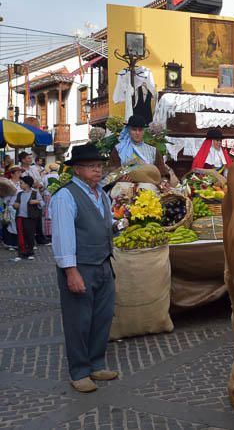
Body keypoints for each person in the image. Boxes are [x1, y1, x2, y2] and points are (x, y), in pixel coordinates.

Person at [50, 143, 125, 393]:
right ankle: (80, 371)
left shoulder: (101, 194)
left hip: (103, 263)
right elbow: (63, 237)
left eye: (99, 166)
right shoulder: (65, 196)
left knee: (102, 318)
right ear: (77, 170)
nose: (98, 170)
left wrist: (120, 224)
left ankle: (96, 363)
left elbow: (106, 222)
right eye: (92, 166)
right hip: (80, 266)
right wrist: (71, 271)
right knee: (78, 321)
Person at [108, 114, 169, 180]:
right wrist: (121, 178)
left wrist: (163, 182)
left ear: (144, 131)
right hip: (125, 186)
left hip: (149, 187)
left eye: (140, 130)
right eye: (134, 129)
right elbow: (112, 174)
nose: (137, 133)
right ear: (128, 130)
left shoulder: (153, 151)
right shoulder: (118, 149)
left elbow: (162, 174)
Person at [11, 175, 43, 261]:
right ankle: (21, 253)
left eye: (21, 183)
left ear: (27, 184)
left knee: (30, 235)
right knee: (21, 235)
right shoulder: (19, 194)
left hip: (30, 218)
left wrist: (36, 201)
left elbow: (42, 203)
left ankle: (30, 252)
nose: (20, 185)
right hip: (19, 217)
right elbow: (15, 203)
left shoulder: (35, 193)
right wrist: (15, 205)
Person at [2, 165, 22, 250]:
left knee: (18, 225)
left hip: (20, 207)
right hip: (10, 206)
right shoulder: (8, 183)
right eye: (18, 172)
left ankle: (17, 243)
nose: (19, 174)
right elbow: (4, 196)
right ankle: (10, 243)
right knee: (10, 225)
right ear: (12, 174)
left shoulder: (21, 182)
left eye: (20, 172)